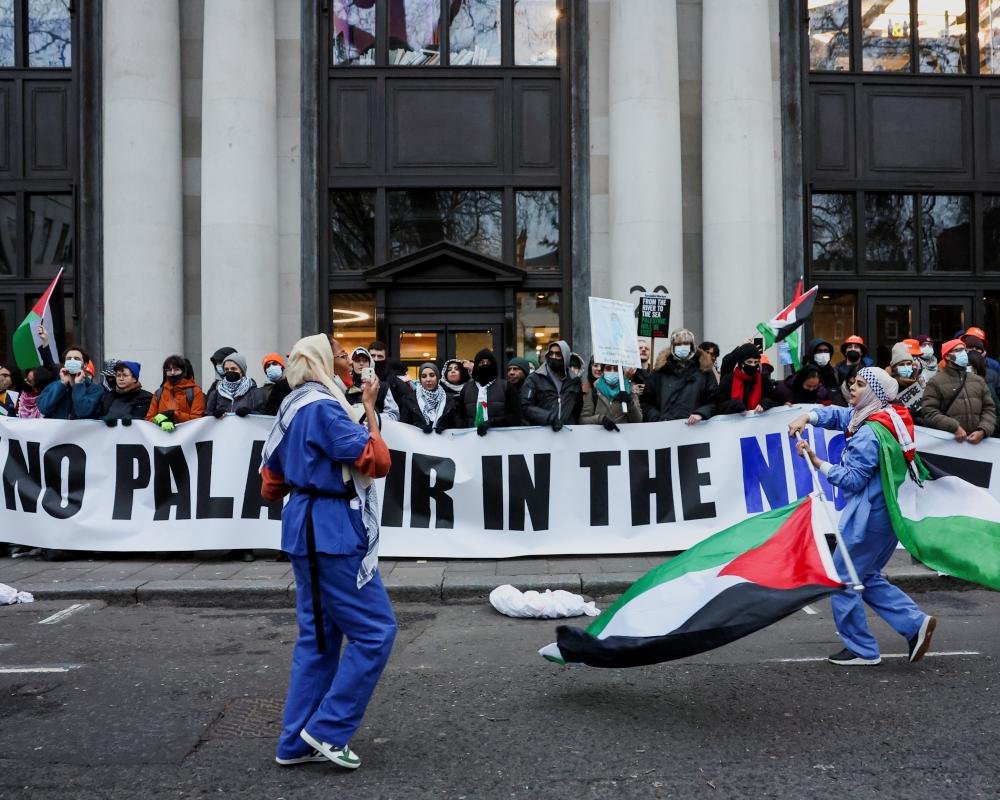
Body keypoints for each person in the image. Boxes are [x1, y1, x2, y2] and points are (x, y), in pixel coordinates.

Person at [260, 333, 395, 771]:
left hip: (303, 526)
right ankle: (327, 729)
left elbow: (270, 482)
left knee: (318, 640)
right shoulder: (324, 407)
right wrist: (370, 408)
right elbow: (376, 460)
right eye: (338, 353)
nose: (346, 359)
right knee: (375, 631)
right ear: (320, 362)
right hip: (333, 530)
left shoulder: (293, 405)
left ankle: (295, 741)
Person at [789, 367, 937, 666]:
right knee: (864, 576)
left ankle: (861, 650)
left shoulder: (868, 432)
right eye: (852, 383)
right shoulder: (882, 416)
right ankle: (914, 623)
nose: (852, 389)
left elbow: (853, 479)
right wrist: (807, 417)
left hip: (868, 517)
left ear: (874, 393)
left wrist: (818, 462)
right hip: (885, 516)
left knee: (843, 578)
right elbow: (842, 416)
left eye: (859, 385)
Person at [922, 339, 996, 443]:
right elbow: (929, 412)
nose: (964, 353)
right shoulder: (935, 382)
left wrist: (983, 430)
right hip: (949, 446)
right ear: (947, 356)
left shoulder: (978, 380)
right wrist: (954, 427)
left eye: (964, 350)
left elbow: (989, 409)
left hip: (979, 446)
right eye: (958, 350)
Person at [639, 329, 716, 425]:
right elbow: (646, 402)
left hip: (695, 430)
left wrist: (701, 413)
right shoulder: (660, 371)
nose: (682, 347)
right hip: (665, 429)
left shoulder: (705, 371)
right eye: (678, 344)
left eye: (686, 343)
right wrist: (657, 419)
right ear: (672, 347)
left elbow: (714, 400)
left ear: (692, 346)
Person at [443, 348, 523, 434]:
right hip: (471, 439)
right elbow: (459, 414)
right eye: (481, 363)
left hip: (500, 440)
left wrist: (493, 422)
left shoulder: (506, 387)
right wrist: (466, 426)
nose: (485, 365)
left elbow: (516, 416)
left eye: (488, 362)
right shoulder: (466, 388)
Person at [521, 340, 582, 431]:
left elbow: (578, 408)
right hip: (541, 433)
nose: (553, 357)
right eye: (551, 353)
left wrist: (570, 422)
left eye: (558, 354)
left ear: (565, 357)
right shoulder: (534, 378)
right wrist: (549, 418)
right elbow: (525, 406)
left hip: (567, 434)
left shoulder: (574, 381)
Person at [710, 343, 780, 418]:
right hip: (733, 425)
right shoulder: (728, 380)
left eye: (756, 362)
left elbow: (774, 399)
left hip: (758, 424)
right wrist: (734, 405)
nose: (753, 365)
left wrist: (765, 403)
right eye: (749, 362)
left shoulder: (764, 380)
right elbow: (718, 405)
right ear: (741, 363)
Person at [36, 345, 104, 420]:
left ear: (84, 365)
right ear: (65, 364)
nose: (72, 361)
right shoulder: (54, 385)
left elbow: (82, 411)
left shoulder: (95, 390)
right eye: (68, 359)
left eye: (76, 359)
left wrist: (78, 385)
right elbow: (44, 408)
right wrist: (62, 384)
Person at [146, 354, 207, 431]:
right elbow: (149, 418)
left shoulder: (195, 391)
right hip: (162, 439)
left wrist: (174, 414)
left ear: (184, 372)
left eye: (176, 369)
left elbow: (197, 419)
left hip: (187, 438)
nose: (172, 373)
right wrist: (162, 421)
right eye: (168, 370)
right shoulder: (158, 393)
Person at [579, 363, 642, 429]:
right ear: (603, 371)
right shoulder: (593, 392)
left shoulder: (630, 390)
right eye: (608, 369)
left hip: (624, 437)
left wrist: (630, 402)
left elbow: (638, 420)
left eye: (616, 369)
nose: (612, 372)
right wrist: (600, 419)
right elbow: (583, 420)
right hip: (600, 437)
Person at [346, 347, 399, 422]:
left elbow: (393, 415)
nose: (361, 363)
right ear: (352, 363)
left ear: (370, 363)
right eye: (357, 361)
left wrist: (372, 417)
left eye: (365, 361)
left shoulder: (382, 386)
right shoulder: (345, 385)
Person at [95, 360, 153, 426]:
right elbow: (97, 417)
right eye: (118, 375)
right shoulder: (107, 396)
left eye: (125, 375)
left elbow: (143, 420)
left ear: (134, 379)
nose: (121, 379)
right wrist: (103, 420)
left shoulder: (146, 398)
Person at [205, 353, 260, 418]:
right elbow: (207, 414)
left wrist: (250, 413)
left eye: (233, 369)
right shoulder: (217, 392)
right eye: (226, 369)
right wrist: (214, 414)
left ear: (242, 371)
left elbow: (264, 415)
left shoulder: (254, 391)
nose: (229, 371)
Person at [889, 341, 924, 422]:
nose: (906, 367)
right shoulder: (890, 385)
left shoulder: (917, 381)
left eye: (908, 364)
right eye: (901, 364)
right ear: (894, 368)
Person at [411, 362, 449, 432]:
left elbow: (456, 424)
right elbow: (405, 426)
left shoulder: (449, 399)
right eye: (424, 376)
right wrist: (419, 427)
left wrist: (445, 429)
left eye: (432, 375)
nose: (428, 379)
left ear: (437, 377)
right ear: (420, 379)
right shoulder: (410, 399)